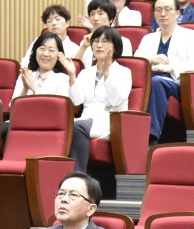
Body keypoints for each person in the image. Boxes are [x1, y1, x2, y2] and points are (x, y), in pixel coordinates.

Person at [136, 0, 194, 143]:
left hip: (178, 84)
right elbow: (136, 62)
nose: (162, 14)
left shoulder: (191, 35)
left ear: (178, 13)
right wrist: (151, 58)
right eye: (158, 10)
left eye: (167, 9)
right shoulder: (148, 38)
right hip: (150, 82)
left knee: (157, 82)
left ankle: (151, 137)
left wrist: (172, 68)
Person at [67, 26, 132, 173]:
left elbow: (117, 100)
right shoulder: (86, 72)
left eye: (105, 41)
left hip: (109, 122)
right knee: (63, 125)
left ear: (115, 47)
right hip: (86, 120)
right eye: (96, 41)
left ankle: (78, 175)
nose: (99, 45)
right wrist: (72, 76)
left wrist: (107, 73)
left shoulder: (124, 72)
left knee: (76, 127)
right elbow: (77, 101)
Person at [20, 5, 81, 69]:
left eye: (57, 19)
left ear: (67, 23)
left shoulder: (75, 49)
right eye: (49, 21)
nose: (54, 23)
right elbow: (25, 62)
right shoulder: (38, 41)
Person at [74, 0, 134, 65]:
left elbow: (123, 67)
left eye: (100, 13)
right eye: (92, 14)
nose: (95, 18)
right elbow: (76, 67)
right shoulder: (86, 41)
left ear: (111, 19)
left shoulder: (124, 42)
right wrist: (83, 47)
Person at [14, 32, 72, 99]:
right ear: (35, 51)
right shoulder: (26, 76)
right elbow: (12, 106)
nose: (46, 54)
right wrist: (25, 90)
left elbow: (58, 108)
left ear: (59, 55)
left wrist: (35, 89)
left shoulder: (64, 80)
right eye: (42, 49)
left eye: (51, 50)